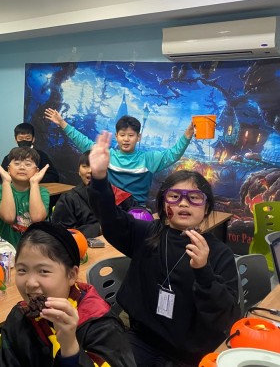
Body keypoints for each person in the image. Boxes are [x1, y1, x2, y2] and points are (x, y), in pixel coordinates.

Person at [88, 131, 240, 366]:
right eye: (175, 196)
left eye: (194, 198)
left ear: (206, 208)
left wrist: (204, 271)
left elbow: (227, 317)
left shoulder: (219, 253)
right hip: (140, 340)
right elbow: (110, 217)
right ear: (163, 204)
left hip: (191, 355)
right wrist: (99, 178)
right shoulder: (147, 234)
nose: (183, 203)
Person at [0, 221, 136, 367]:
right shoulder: (20, 316)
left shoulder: (99, 323)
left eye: (43, 271)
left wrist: (70, 348)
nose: (30, 283)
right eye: (22, 270)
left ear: (71, 275)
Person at [44, 109, 194, 205]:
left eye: (131, 135)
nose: (126, 139)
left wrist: (187, 135)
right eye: (122, 135)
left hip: (137, 211)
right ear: (116, 136)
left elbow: (173, 153)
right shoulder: (108, 155)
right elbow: (83, 142)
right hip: (110, 208)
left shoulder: (148, 159)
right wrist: (62, 123)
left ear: (139, 137)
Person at [0, 147, 50, 246]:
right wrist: (6, 181)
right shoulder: (0, 190)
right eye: (17, 163)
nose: (22, 167)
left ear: (37, 171)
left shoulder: (42, 192)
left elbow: (37, 219)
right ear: (8, 169)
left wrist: (34, 183)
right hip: (9, 248)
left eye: (28, 164)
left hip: (36, 247)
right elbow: (9, 217)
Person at [51, 151, 100, 238]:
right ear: (79, 171)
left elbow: (125, 218)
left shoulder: (114, 194)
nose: (90, 170)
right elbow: (62, 233)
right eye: (85, 166)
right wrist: (98, 229)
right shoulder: (68, 199)